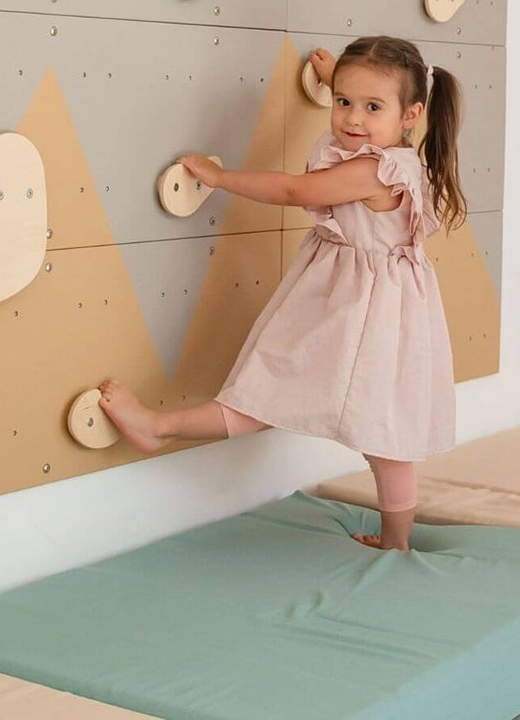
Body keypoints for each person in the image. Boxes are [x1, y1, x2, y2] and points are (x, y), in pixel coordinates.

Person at [97, 35, 465, 550]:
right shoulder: (403, 158)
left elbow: (296, 191)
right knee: (387, 436)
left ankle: (159, 426)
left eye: (371, 107)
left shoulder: (367, 170)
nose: (352, 119)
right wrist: (340, 74)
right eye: (343, 102)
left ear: (410, 114)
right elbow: (365, 106)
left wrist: (221, 177)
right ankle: (397, 540)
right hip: (393, 316)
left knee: (269, 385)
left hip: (354, 310)